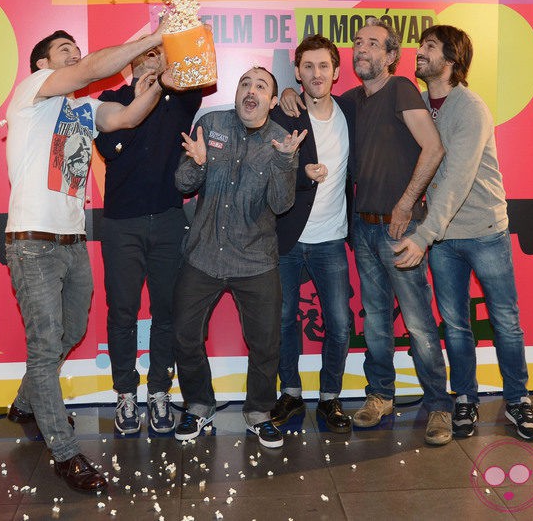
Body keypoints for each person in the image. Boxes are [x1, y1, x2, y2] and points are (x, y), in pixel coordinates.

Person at [4, 27, 170, 493]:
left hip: (72, 243)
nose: (75, 57)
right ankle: (64, 452)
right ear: (42, 65)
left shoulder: (83, 109)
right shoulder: (31, 93)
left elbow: (130, 116)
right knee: (44, 345)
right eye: (64, 52)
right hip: (32, 242)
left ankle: (25, 403)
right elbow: (93, 67)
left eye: (76, 51)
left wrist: (158, 76)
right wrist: (150, 37)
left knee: (71, 331)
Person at [278, 18, 453, 446]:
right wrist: (287, 92)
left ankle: (438, 407)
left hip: (400, 226)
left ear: (392, 55)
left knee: (418, 323)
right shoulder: (352, 101)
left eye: (373, 43)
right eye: (358, 42)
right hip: (362, 229)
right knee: (375, 321)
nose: (362, 49)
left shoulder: (401, 90)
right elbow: (311, 99)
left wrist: (407, 203)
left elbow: (434, 148)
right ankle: (380, 396)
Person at [411, 25, 533, 442]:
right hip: (443, 239)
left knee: (505, 320)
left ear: (451, 60)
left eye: (429, 46)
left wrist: (423, 234)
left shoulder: (470, 107)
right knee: (455, 324)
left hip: (484, 231)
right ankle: (464, 398)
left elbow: (457, 178)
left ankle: (518, 398)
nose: (420, 51)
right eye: (421, 45)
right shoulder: (417, 105)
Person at [171, 67, 306, 449]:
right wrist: (196, 163)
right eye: (245, 83)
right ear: (236, 93)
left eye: (261, 86)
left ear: (272, 102)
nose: (251, 90)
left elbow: (282, 204)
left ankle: (259, 411)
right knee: (184, 334)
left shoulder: (283, 141)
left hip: (256, 260)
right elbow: (182, 184)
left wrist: (284, 163)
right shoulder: (210, 123)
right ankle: (199, 404)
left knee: (265, 342)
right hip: (203, 255)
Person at [94, 45, 202, 435]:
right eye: (144, 54)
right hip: (123, 224)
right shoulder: (111, 101)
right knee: (122, 311)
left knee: (166, 311)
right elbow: (109, 147)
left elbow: (206, 68)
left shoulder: (181, 99)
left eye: (159, 53)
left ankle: (159, 391)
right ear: (131, 62)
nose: (151, 59)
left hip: (171, 219)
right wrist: (143, 98)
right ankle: (125, 392)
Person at [268, 35, 357, 434]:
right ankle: (290, 391)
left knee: (339, 323)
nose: (317, 74)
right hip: (287, 238)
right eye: (308, 67)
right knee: (284, 318)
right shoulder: (286, 113)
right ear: (298, 73)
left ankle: (330, 397)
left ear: (337, 72)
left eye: (324, 66)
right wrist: (299, 174)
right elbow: (267, 169)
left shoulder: (352, 111)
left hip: (331, 239)